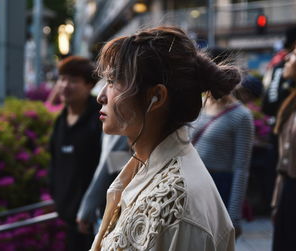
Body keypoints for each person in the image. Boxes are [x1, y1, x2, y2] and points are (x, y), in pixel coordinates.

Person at [91, 26, 239, 250]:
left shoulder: (177, 203)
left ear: (156, 97)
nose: (102, 96)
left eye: (113, 82)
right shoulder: (146, 165)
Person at [48, 56, 102, 251]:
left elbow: (110, 167)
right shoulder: (60, 120)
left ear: (89, 84)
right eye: (61, 79)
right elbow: (55, 163)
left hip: (95, 219)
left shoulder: (101, 120)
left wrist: (95, 206)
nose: (64, 85)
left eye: (73, 80)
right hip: (68, 216)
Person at [191, 80, 254, 237]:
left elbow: (241, 168)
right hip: (192, 185)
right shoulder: (199, 105)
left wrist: (234, 216)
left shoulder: (242, 115)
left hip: (219, 189)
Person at [76, 134, 130, 235]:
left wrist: (87, 207)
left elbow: (108, 167)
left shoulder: (122, 133)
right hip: (108, 210)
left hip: (117, 215)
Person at [271, 47, 296, 251]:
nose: (287, 58)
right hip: (286, 192)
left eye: (294, 54)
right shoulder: (290, 102)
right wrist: (276, 201)